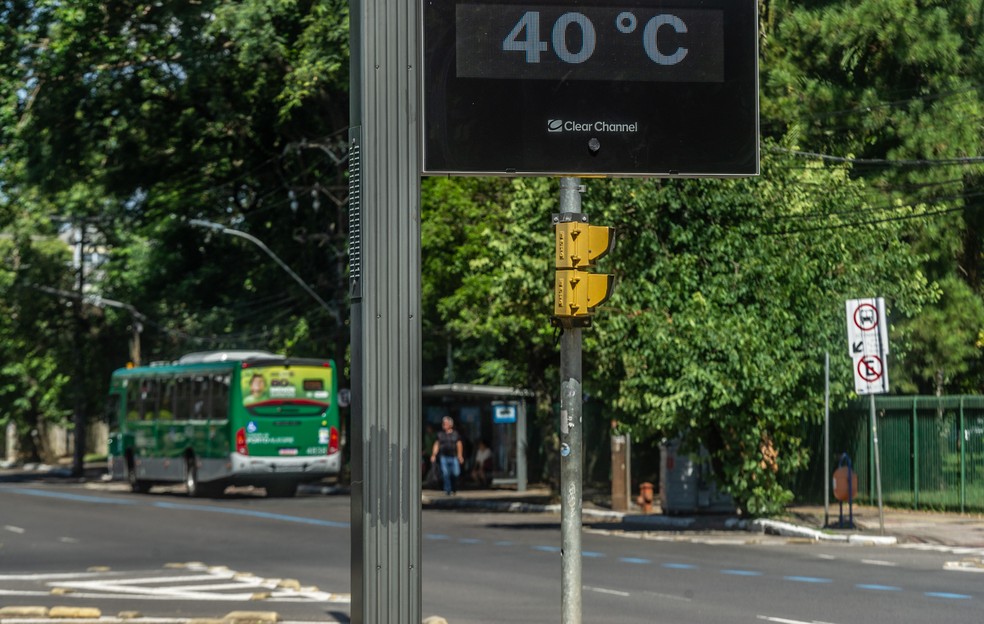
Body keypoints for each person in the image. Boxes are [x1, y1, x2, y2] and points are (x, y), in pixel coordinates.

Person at [430, 416, 464, 495]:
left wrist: (460, 455)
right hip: (444, 457)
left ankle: (454, 488)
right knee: (445, 473)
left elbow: (459, 444)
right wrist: (434, 455)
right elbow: (437, 444)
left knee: (456, 473)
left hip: (454, 456)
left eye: (445, 423)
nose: (444, 425)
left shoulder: (455, 434)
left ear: (450, 424)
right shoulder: (440, 434)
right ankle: (448, 490)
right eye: (443, 423)